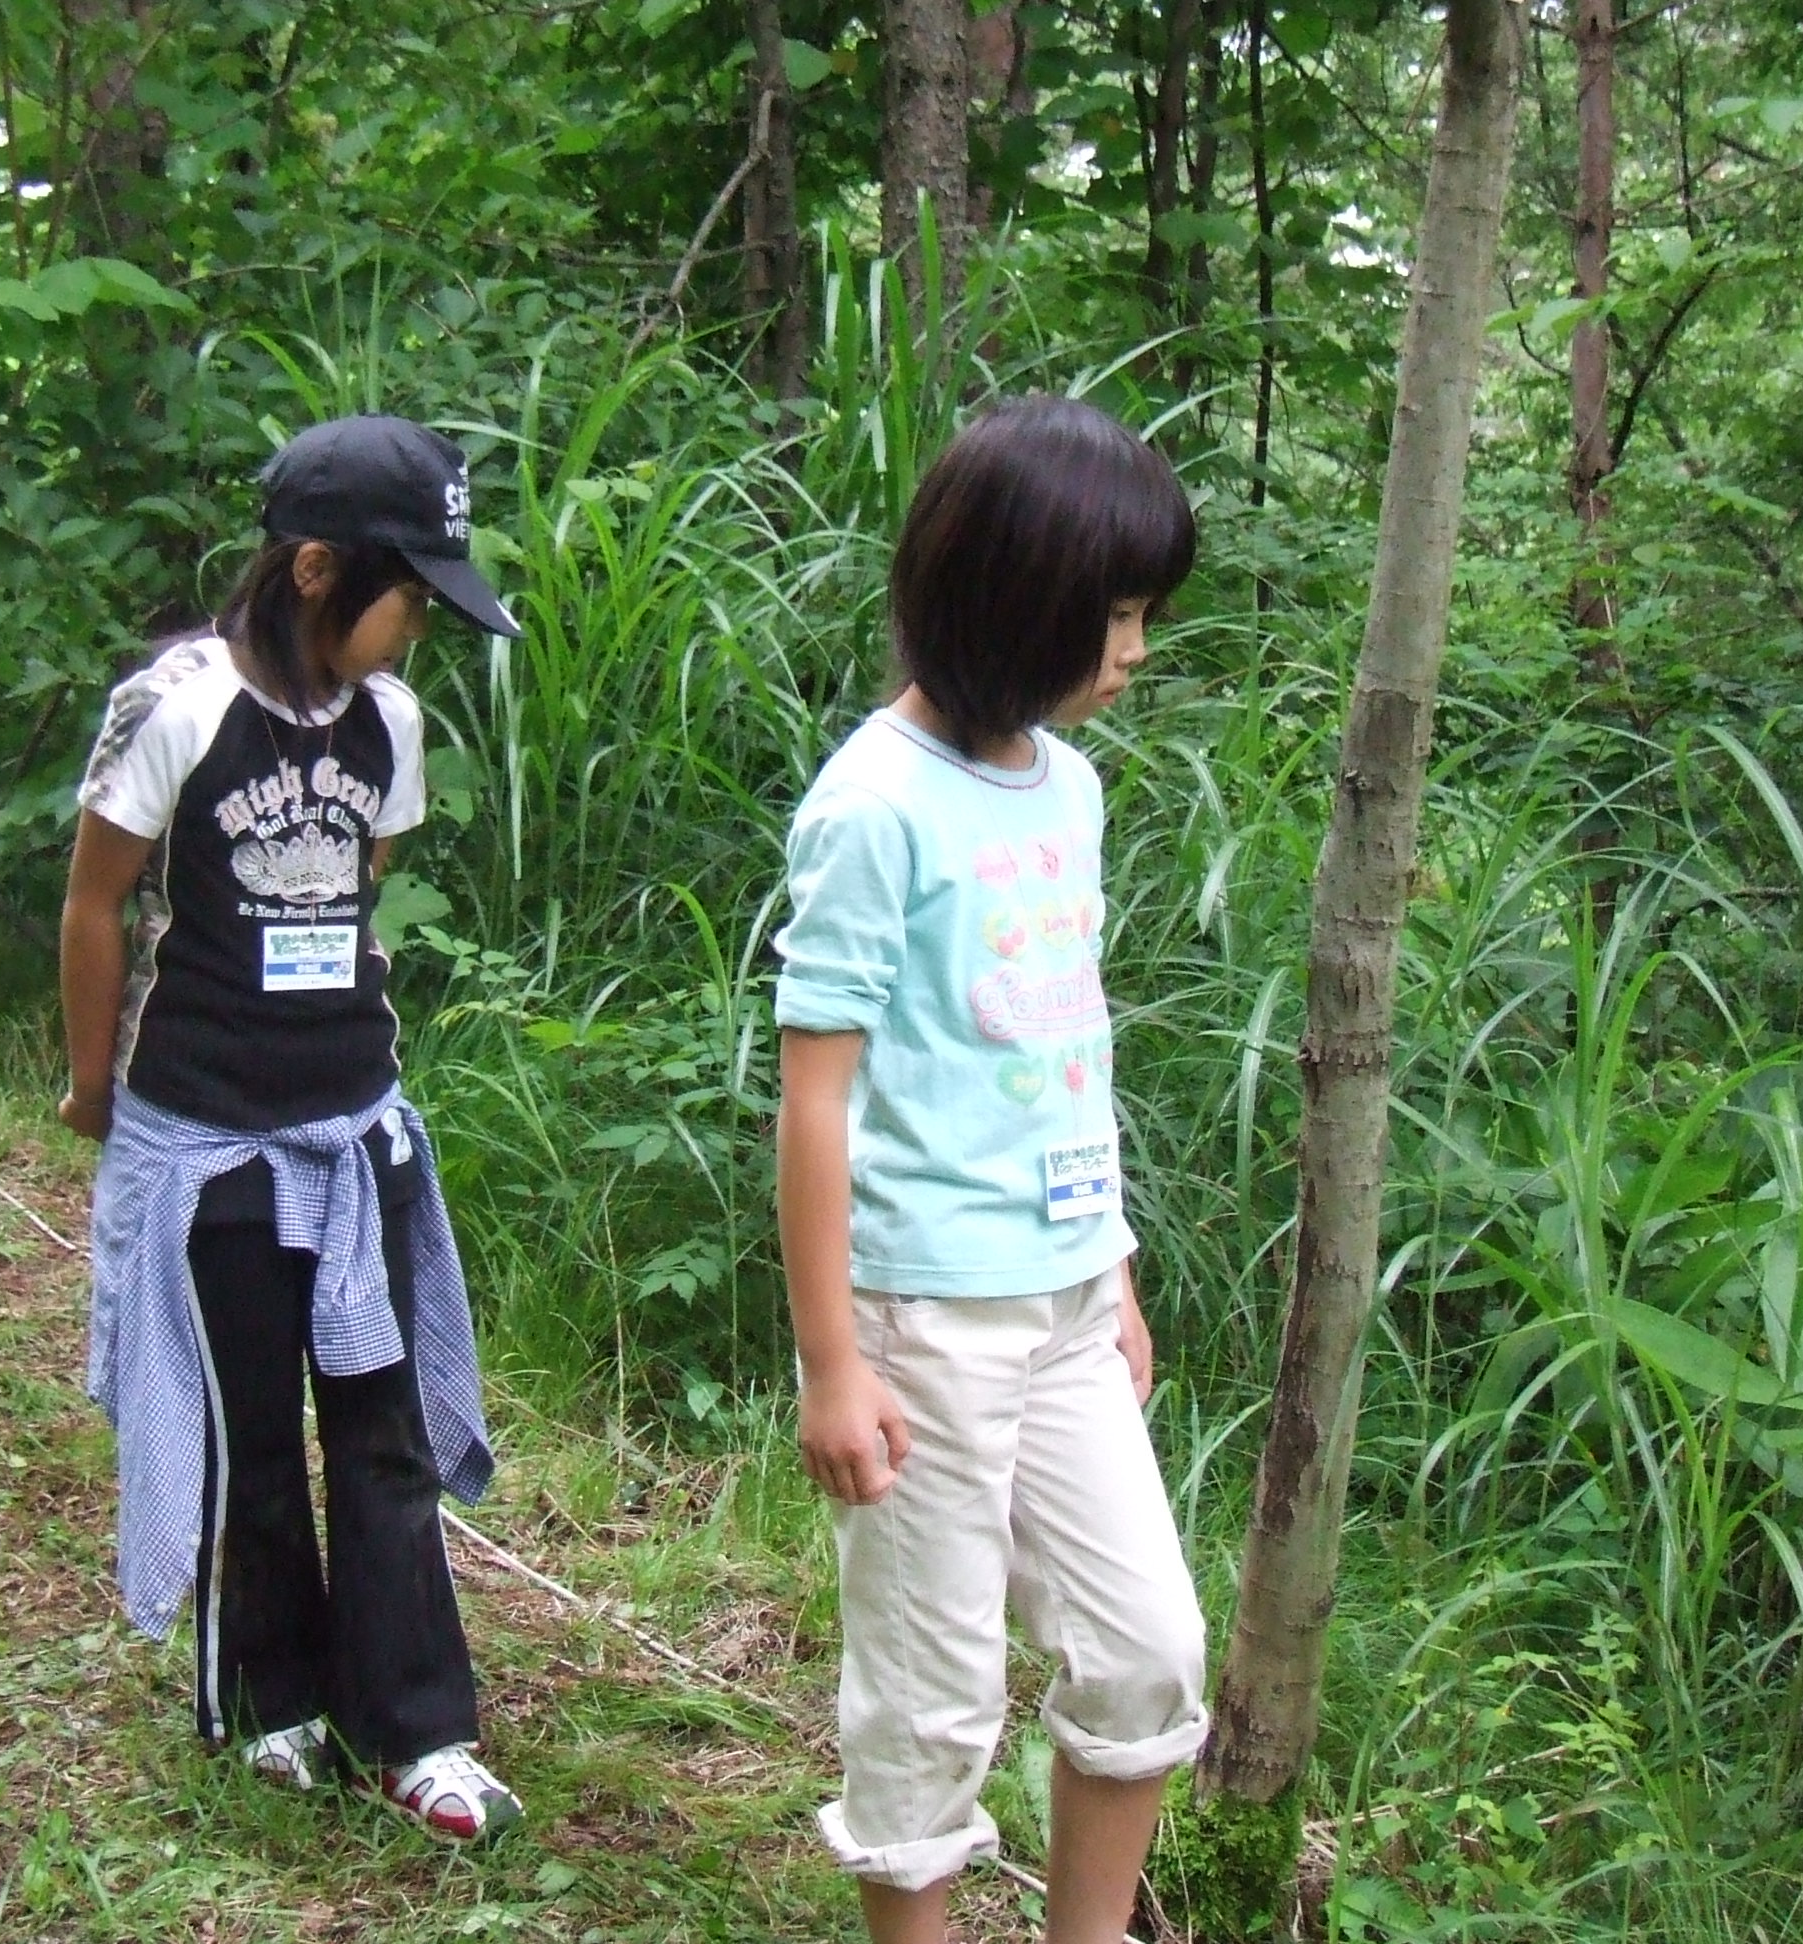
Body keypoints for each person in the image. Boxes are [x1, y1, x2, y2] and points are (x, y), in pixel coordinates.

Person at [773, 395, 1209, 1943]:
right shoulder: (870, 808)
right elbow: (814, 1099)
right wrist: (834, 1360)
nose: (1136, 652)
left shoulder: (1068, 791)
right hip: (923, 1326)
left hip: (1069, 1307)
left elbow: (1066, 1047)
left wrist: (1118, 1272)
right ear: (1015, 605)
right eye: (1117, 618)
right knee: (931, 1698)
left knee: (1149, 1647)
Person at [60, 416, 520, 1841]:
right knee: (251, 1433)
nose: (418, 635)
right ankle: (274, 1699)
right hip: (212, 1139)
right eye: (406, 600)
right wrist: (94, 1088)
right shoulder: (179, 708)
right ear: (319, 569)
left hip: (352, 1127)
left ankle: (419, 1729)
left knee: (378, 1430)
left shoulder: (392, 725)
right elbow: (95, 903)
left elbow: (359, 903)